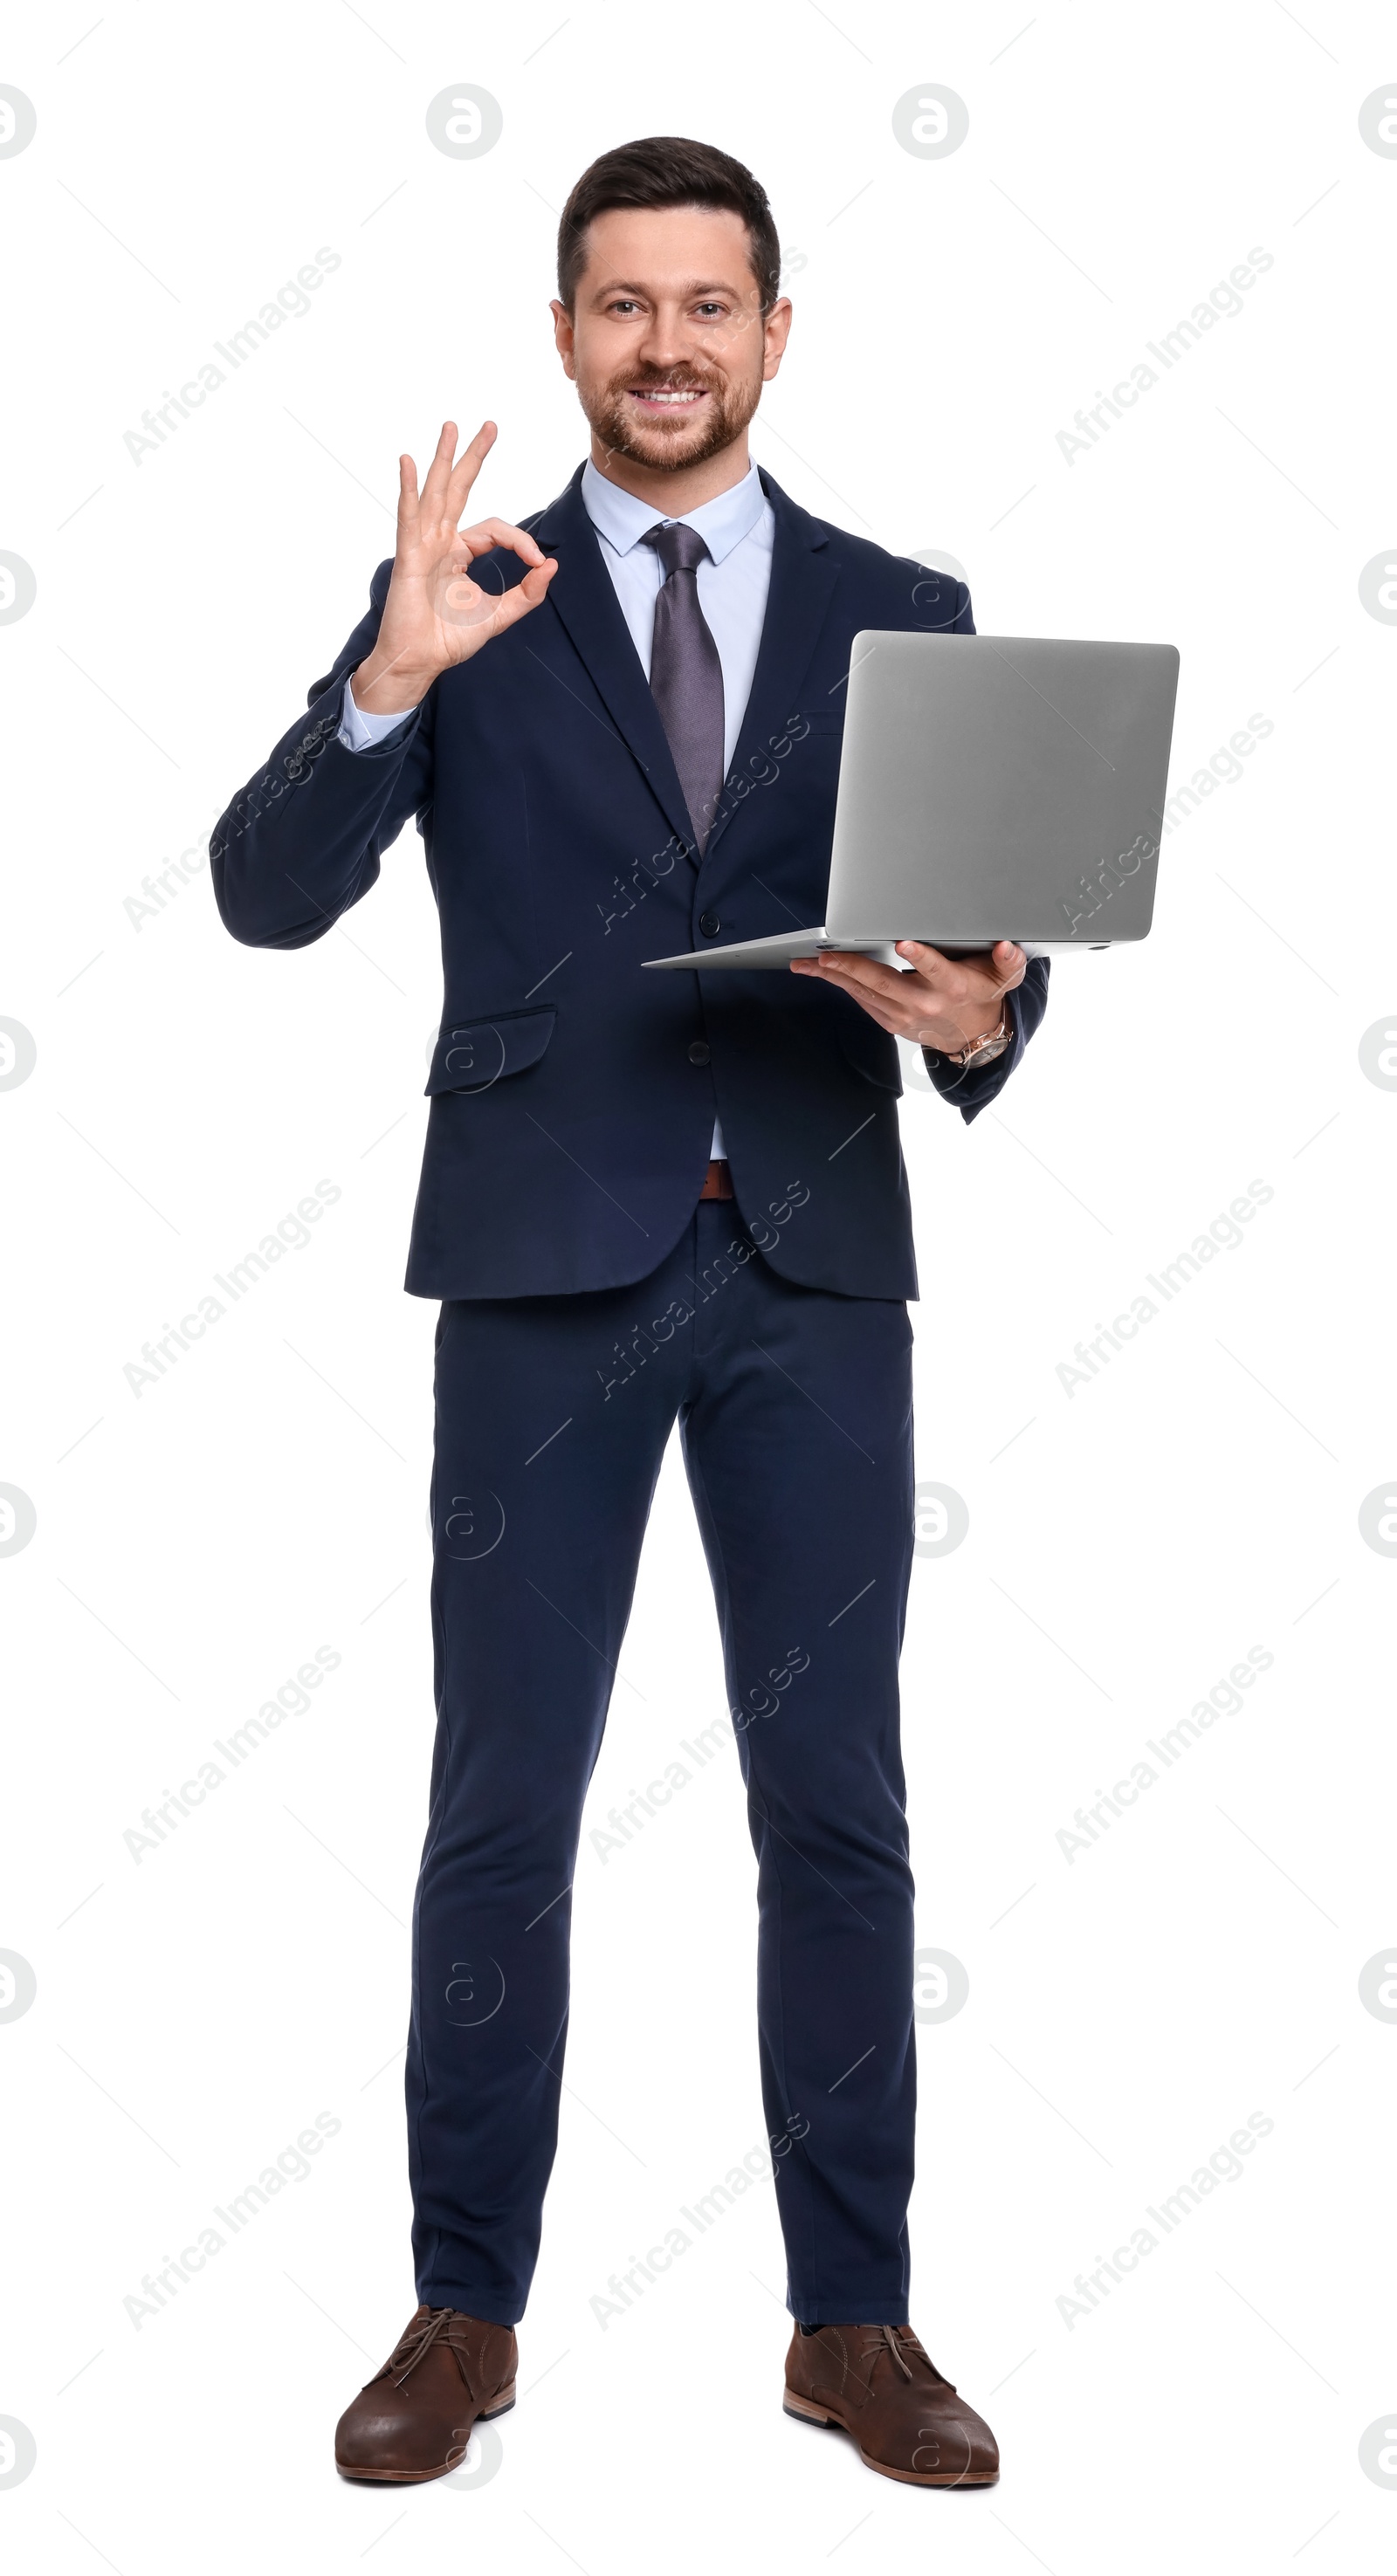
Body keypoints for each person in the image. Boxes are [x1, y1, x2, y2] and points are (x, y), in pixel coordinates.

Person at [211, 134, 1049, 2491]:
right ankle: (461, 2307)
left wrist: (978, 1013)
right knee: (502, 1808)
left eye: (709, 303)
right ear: (564, 334)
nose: (665, 343)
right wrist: (388, 678)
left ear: (779, 333)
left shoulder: (910, 602)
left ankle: (853, 2322)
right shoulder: (469, 593)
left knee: (840, 1809)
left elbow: (1001, 973)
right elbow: (264, 891)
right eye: (621, 304)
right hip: (542, 1265)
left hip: (809, 1260)